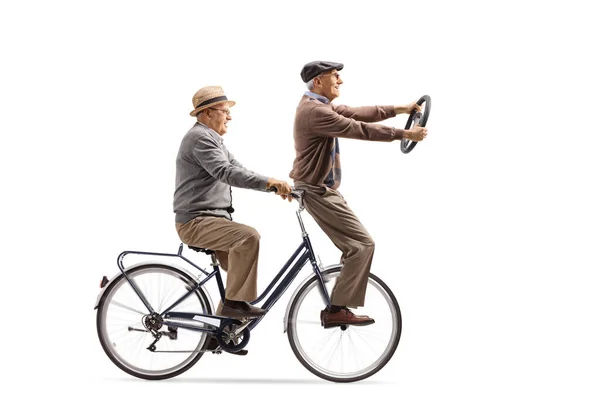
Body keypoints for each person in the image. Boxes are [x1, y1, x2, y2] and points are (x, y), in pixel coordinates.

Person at [289, 61, 428, 328]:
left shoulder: (320, 105)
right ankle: (337, 309)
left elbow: (358, 113)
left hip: (322, 189)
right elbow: (359, 129)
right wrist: (405, 134)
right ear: (318, 82)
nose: (340, 80)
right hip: (316, 191)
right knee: (362, 245)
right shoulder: (314, 112)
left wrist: (402, 109)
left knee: (359, 245)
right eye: (335, 76)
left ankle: (340, 302)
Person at [174, 86, 292, 325]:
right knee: (249, 238)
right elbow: (225, 172)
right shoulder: (200, 138)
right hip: (195, 222)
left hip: (211, 220)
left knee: (240, 276)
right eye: (225, 111)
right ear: (207, 113)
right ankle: (233, 308)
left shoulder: (213, 140)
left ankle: (220, 333)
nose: (230, 116)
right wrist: (269, 183)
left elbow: (239, 169)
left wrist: (272, 185)